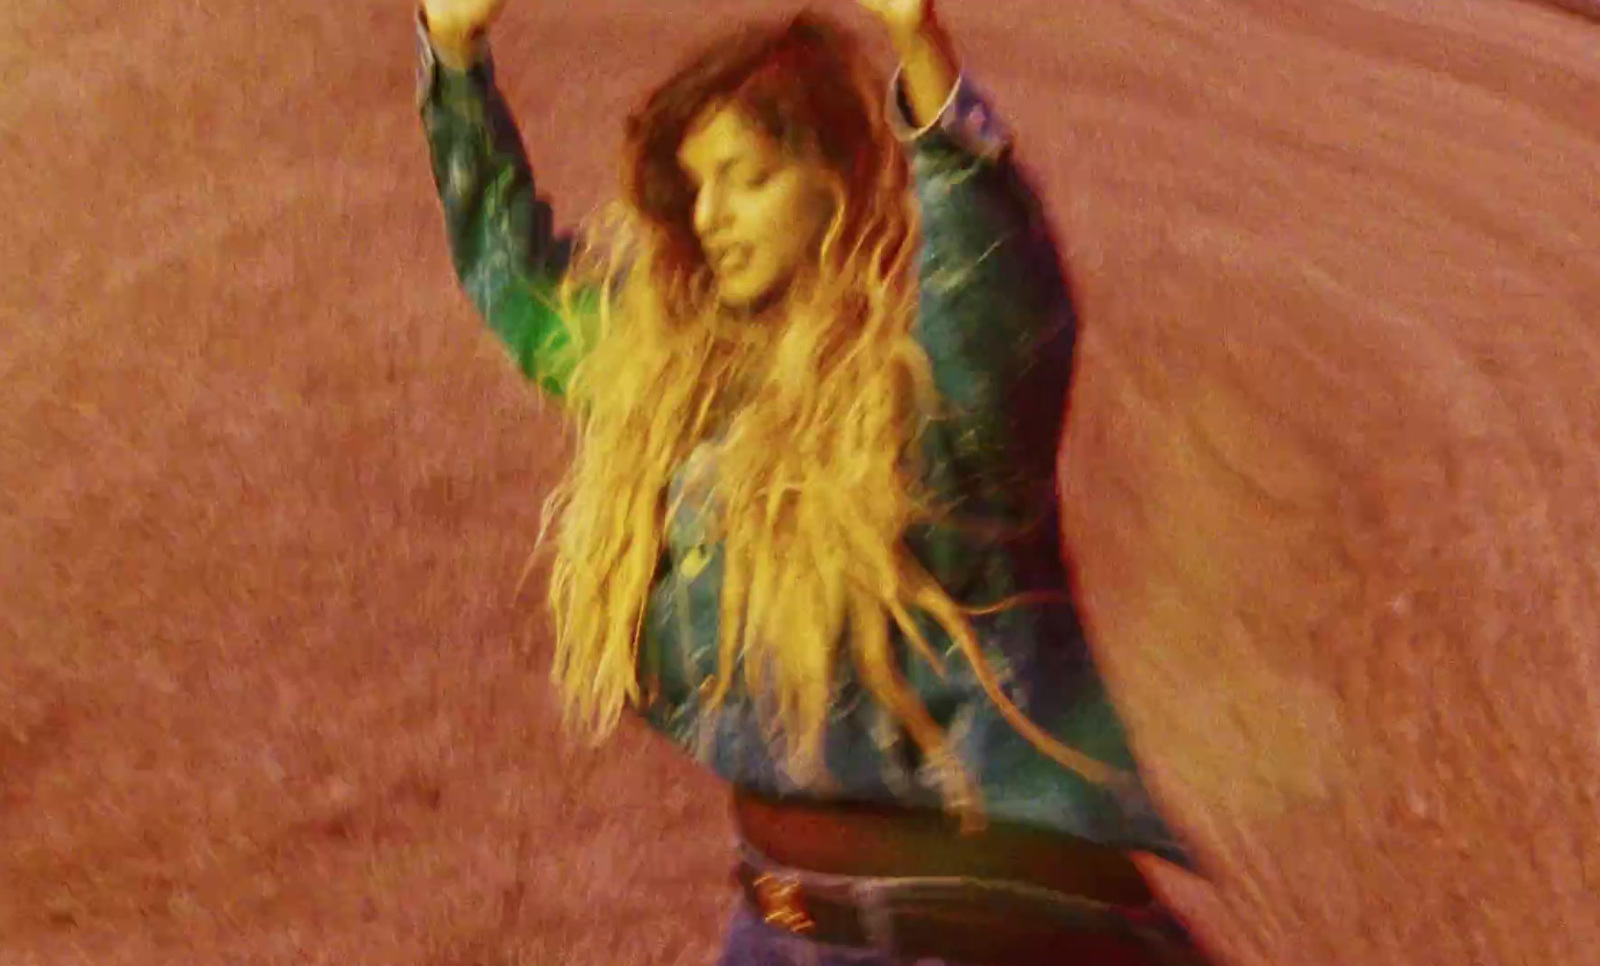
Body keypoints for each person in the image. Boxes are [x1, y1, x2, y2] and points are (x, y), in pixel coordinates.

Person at [414, 0, 1211, 962]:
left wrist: (919, 47)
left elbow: (994, 269)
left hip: (998, 935)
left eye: (748, 179)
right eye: (696, 187)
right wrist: (455, 57)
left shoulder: (939, 386)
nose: (711, 216)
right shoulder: (677, 393)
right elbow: (520, 287)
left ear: (836, 179)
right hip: (786, 928)